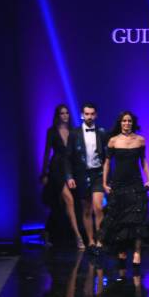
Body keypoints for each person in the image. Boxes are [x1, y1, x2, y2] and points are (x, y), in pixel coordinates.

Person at [97, 111, 149, 278]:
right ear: (120, 123)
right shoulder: (113, 141)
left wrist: (148, 179)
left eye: (129, 121)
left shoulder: (140, 140)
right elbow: (106, 163)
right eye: (124, 121)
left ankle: (136, 253)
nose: (126, 123)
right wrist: (105, 183)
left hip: (135, 184)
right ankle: (121, 253)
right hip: (118, 185)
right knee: (119, 220)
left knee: (137, 220)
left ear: (132, 123)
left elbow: (143, 161)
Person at [40, 104, 85, 249]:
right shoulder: (52, 131)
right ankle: (78, 237)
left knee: (59, 206)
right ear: (57, 115)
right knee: (69, 201)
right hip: (56, 169)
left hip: (71, 169)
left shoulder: (74, 131)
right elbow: (47, 152)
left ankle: (47, 232)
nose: (65, 115)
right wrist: (44, 173)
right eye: (61, 113)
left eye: (66, 113)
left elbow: (77, 152)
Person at [65, 102, 109, 249]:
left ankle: (100, 239)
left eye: (92, 114)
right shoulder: (74, 133)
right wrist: (69, 176)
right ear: (82, 115)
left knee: (98, 207)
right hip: (82, 174)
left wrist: (107, 177)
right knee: (87, 209)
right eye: (87, 114)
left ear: (96, 115)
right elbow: (68, 157)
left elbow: (107, 157)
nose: (89, 117)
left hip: (98, 174)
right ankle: (90, 240)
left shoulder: (102, 132)